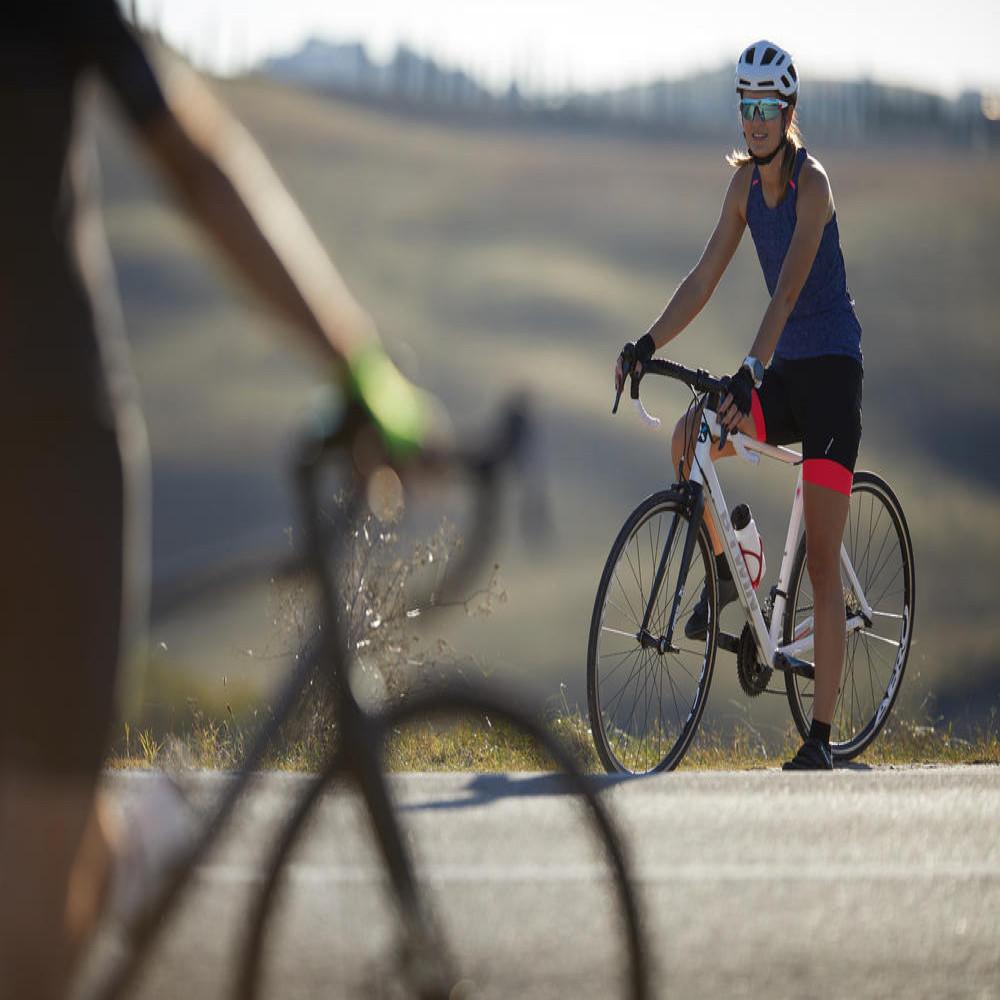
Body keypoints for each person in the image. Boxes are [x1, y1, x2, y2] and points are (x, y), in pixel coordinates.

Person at [0, 4, 431, 998]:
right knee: (32, 904)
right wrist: (356, 362)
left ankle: (112, 841)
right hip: (41, 447)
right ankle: (124, 841)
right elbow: (192, 160)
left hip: (38, 445)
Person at [614, 40, 863, 771]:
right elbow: (703, 276)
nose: (754, 121)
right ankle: (732, 571)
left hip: (831, 379)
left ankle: (818, 739)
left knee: (822, 561)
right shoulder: (742, 190)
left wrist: (750, 369)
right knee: (692, 436)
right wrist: (647, 340)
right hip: (782, 369)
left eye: (766, 108)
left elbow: (787, 290)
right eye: (744, 106)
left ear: (788, 113)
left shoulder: (812, 186)